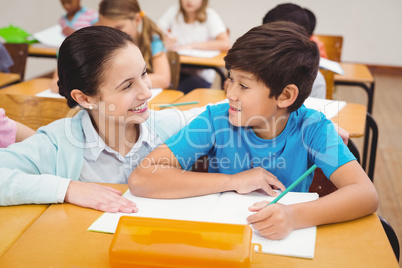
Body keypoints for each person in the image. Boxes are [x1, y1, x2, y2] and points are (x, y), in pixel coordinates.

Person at [129, 21, 378, 240]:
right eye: (231, 79)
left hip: (283, 242)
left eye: (244, 86)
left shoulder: (313, 127)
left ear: (285, 95)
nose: (231, 93)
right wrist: (233, 181)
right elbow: (143, 178)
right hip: (222, 238)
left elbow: (366, 194)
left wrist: (292, 217)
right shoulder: (216, 119)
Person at [0, 26, 205, 211]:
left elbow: (220, 112)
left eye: (143, 74)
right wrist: (68, 189)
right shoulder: (57, 144)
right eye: (127, 86)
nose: (146, 93)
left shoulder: (170, 126)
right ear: (84, 98)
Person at [158, 0, 231, 93]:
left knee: (175, 92)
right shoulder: (173, 11)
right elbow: (155, 32)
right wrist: (164, 41)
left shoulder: (210, 15)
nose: (189, 1)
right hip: (176, 70)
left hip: (201, 75)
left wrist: (192, 45)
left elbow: (225, 43)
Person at [98, 0, 170, 89]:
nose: (113, 34)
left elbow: (163, 80)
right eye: (107, 29)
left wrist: (125, 82)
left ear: (137, 19)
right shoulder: (102, 46)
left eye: (119, 27)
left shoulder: (153, 41)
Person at [262, 3, 326, 99]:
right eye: (264, 34)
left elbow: (315, 113)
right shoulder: (254, 66)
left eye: (273, 37)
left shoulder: (315, 82)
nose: (266, 41)